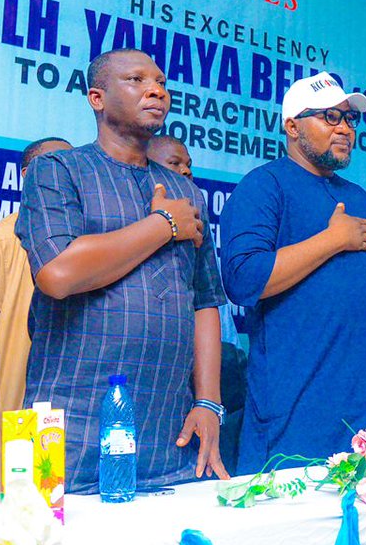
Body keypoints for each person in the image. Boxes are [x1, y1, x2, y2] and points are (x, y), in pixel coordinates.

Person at [17, 48, 227, 493]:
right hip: (65, 423)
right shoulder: (57, 170)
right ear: (97, 97)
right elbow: (57, 273)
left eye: (161, 83)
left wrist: (209, 401)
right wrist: (163, 225)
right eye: (135, 80)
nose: (156, 90)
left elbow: (205, 302)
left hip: (169, 429)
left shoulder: (186, 190)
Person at [219, 73, 366, 473]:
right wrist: (332, 240)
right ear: (292, 127)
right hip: (300, 410)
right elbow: (242, 279)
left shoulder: (360, 198)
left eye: (349, 119)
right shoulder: (264, 186)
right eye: (329, 117)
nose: (344, 128)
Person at [0, 136, 72, 412]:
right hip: (12, 410)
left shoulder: (91, 244)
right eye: (54, 167)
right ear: (26, 175)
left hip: (75, 412)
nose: (64, 177)